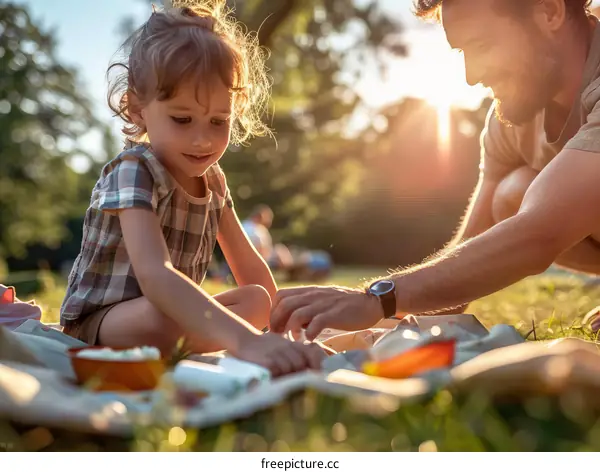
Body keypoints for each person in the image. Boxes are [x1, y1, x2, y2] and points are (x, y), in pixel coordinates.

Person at [270, 0, 600, 341]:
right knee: (512, 194)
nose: (472, 76)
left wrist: (379, 297)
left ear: (549, 11)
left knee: (539, 205)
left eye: (483, 45)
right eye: (463, 52)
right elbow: (475, 239)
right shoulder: (513, 113)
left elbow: (539, 235)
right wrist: (391, 323)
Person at [59, 2, 324, 377]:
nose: (202, 140)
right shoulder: (134, 169)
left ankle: (206, 337)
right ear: (137, 109)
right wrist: (246, 341)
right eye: (182, 119)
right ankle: (219, 338)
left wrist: (286, 333)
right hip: (105, 320)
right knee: (157, 316)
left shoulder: (214, 181)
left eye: (219, 121)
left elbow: (251, 270)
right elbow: (155, 276)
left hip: (171, 312)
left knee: (259, 301)